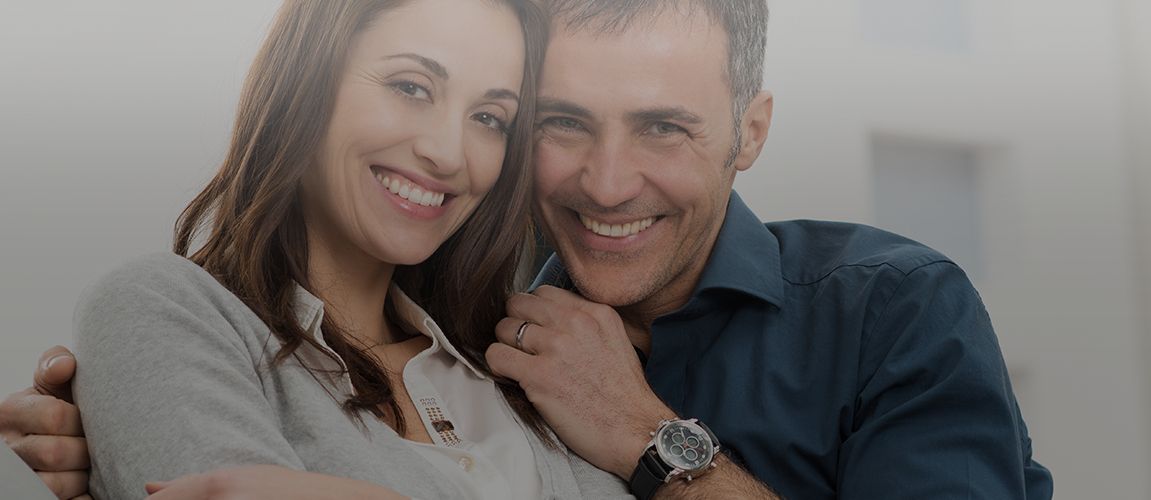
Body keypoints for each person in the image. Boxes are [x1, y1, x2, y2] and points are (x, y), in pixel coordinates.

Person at [3, 1, 1054, 499]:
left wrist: (652, 437)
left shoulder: (889, 306)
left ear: (750, 132)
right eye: (555, 122)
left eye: (663, 127)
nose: (604, 182)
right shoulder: (493, 343)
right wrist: (126, 423)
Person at [0, 0, 632, 498]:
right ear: (308, 79)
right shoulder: (161, 312)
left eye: (490, 118)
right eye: (411, 86)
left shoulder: (533, 367)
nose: (448, 152)